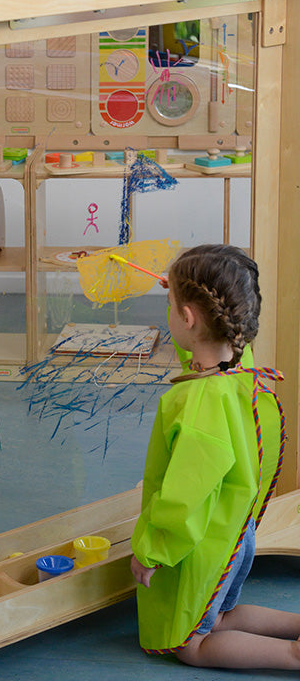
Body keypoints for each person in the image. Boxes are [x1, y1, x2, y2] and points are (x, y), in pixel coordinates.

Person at [130, 244, 300, 669]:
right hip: (236, 533)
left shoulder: (195, 402)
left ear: (188, 318)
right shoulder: (241, 369)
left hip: (202, 545)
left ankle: (292, 654)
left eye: (171, 308)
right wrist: (191, 300)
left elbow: (186, 493)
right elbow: (209, 346)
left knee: (193, 643)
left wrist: (151, 550)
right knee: (219, 615)